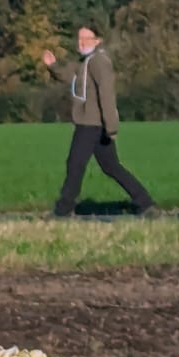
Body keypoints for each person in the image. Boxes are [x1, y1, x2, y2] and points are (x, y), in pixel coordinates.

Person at [42, 28, 156, 218]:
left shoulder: (99, 62)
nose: (82, 42)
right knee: (111, 166)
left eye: (86, 38)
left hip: (92, 124)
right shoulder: (84, 62)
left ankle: (63, 209)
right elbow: (70, 77)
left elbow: (107, 94)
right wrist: (52, 65)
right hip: (90, 123)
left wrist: (111, 126)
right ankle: (145, 202)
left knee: (75, 164)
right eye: (79, 38)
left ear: (97, 41)